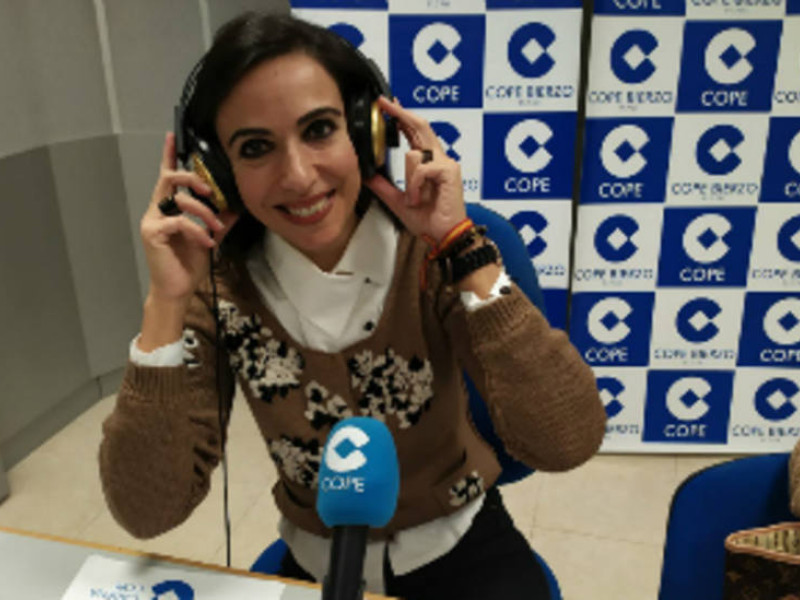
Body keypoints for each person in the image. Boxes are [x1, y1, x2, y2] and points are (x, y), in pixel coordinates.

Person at [99, 12, 606, 600]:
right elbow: (147, 511)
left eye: (319, 130)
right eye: (256, 148)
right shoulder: (219, 287)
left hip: (461, 542)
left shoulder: (433, 255)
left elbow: (566, 440)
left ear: (367, 133)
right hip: (314, 557)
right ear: (217, 172)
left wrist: (462, 248)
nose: (298, 176)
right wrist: (165, 303)